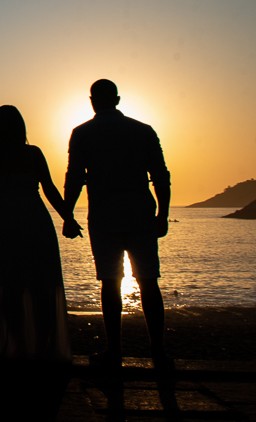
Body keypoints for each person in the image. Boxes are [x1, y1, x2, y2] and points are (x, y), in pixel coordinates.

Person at [63, 79, 171, 368]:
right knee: (149, 281)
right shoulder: (143, 131)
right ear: (118, 99)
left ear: (92, 101)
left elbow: (74, 177)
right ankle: (158, 352)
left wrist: (67, 215)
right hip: (141, 214)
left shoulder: (82, 134)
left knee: (110, 282)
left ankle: (114, 351)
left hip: (104, 215)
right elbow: (161, 175)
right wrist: (163, 213)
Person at [0, 105, 81, 360]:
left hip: (3, 222)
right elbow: (49, 189)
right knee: (40, 287)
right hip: (34, 220)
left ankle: (21, 345)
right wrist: (67, 216)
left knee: (10, 287)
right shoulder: (32, 154)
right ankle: (42, 346)